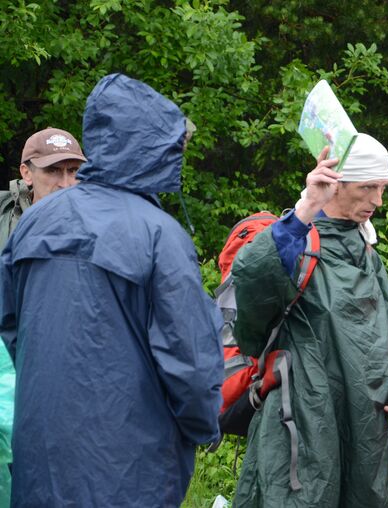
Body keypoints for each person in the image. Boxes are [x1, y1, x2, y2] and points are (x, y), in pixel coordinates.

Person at [0, 73, 224, 507]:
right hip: (131, 469)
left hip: (41, 458)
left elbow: (11, 328)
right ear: (151, 149)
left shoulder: (32, 223)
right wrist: (203, 428)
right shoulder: (161, 235)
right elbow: (190, 361)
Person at [230, 135, 388, 507]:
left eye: (382, 188)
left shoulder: (367, 255)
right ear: (336, 185)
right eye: (368, 187)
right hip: (300, 422)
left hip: (365, 427)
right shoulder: (294, 244)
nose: (378, 201)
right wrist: (305, 209)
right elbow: (250, 293)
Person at [0, 127, 87, 249]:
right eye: (53, 170)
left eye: (73, 170)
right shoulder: (5, 223)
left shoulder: (99, 224)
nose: (65, 184)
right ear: (27, 173)